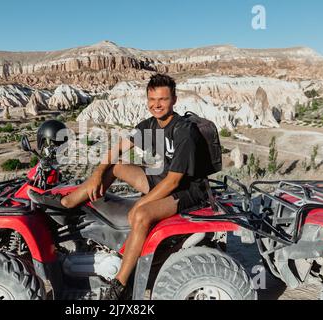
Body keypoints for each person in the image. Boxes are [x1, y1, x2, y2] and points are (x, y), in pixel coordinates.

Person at [30, 73, 209, 300]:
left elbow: (174, 181)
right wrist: (97, 174)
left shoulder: (184, 131)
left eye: (163, 99)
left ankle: (120, 284)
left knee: (141, 215)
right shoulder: (150, 124)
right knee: (116, 167)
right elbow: (117, 150)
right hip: (162, 177)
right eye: (152, 99)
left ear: (174, 99)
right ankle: (67, 202)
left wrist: (141, 202)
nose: (157, 105)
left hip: (187, 189)